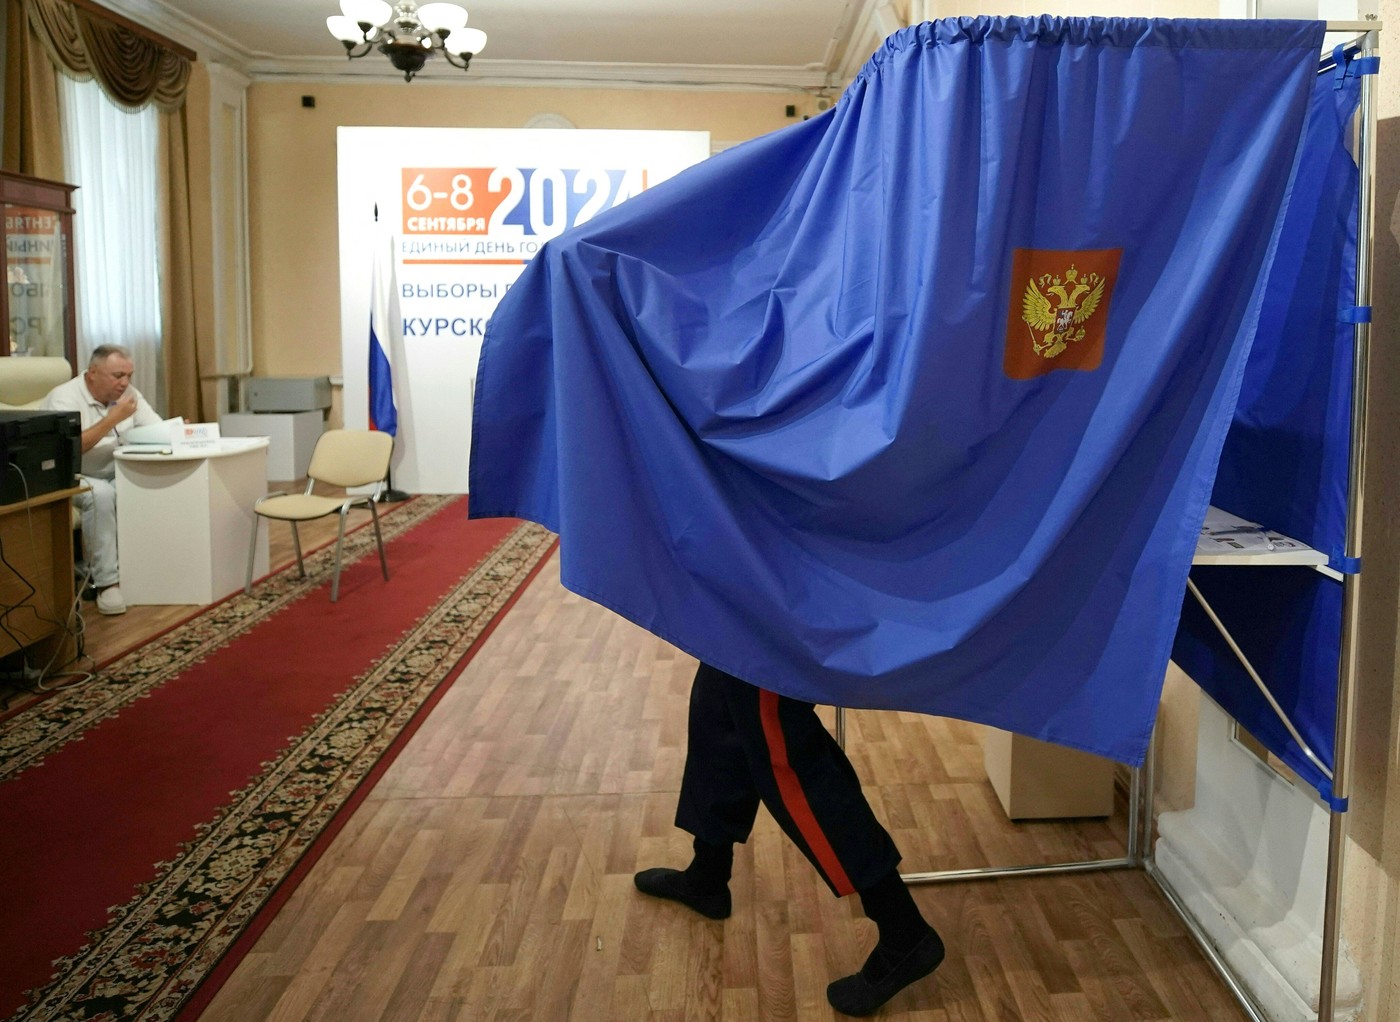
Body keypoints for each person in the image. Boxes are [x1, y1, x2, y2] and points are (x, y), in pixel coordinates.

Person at [634, 662, 945, 1017]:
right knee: (720, 700)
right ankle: (707, 874)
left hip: (773, 627)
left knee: (788, 759)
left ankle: (903, 930)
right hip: (745, 626)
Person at [42, 344, 161, 616]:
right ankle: (107, 583)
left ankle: (143, 571)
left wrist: (175, 431)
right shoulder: (64, 398)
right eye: (118, 375)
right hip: (70, 476)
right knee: (102, 495)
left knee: (141, 487)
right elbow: (69, 449)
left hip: (114, 471)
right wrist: (111, 419)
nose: (125, 383)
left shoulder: (129, 394)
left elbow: (155, 429)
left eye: (129, 375)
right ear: (93, 373)